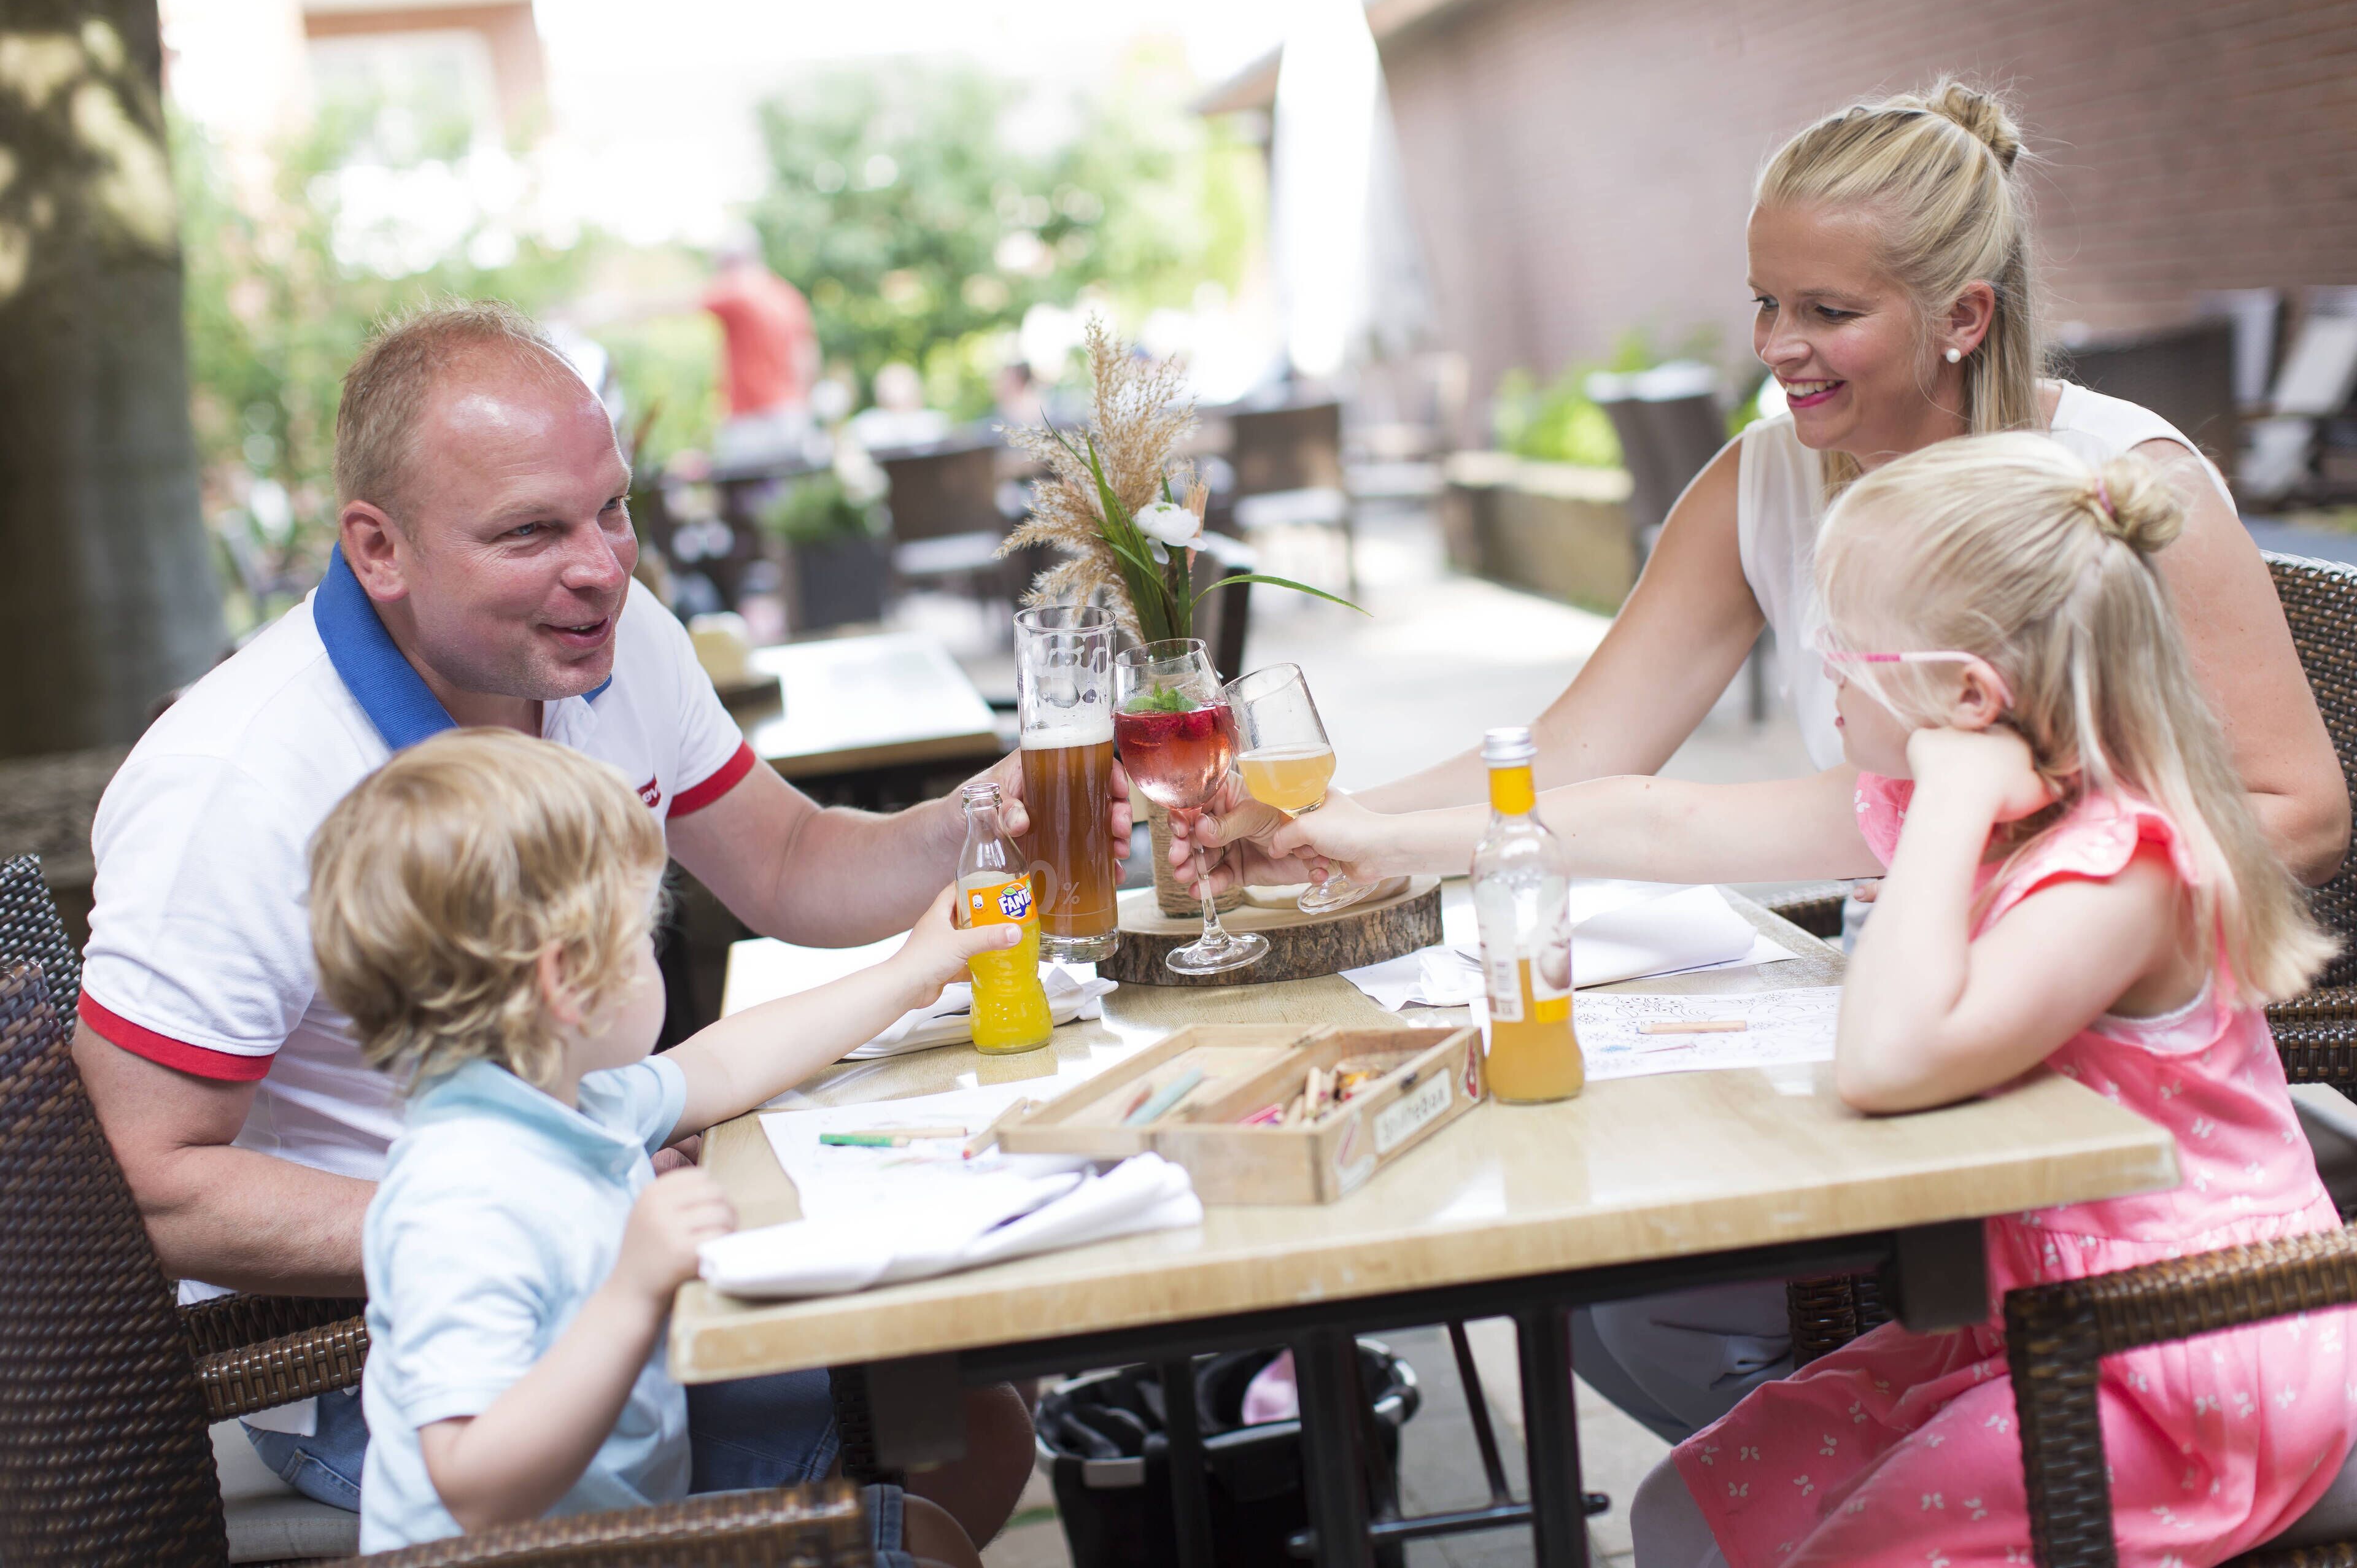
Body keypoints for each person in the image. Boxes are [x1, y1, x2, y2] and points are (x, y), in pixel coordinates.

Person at [1177, 78, 2351, 1442]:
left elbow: (2302, 809)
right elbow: (1583, 763)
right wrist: (1337, 824)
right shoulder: (1770, 479)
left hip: (2070, 1041)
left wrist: (2021, 871)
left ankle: (1919, 1452)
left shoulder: (2113, 487)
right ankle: (1870, 1446)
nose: (1778, 347)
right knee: (1608, 1265)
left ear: (1963, 314)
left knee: (1647, 1289)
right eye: (1765, 303)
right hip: (1895, 992)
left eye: (1828, 311)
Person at [72, 301, 1105, 1535]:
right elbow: (149, 1181)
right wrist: (560, 1219)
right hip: (395, 1358)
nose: (604, 565)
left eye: (612, 508)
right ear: (378, 547)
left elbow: (780, 858)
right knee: (945, 1424)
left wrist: (956, 828)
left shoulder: (603, 631)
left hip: (589, 1254)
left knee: (972, 1370)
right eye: (530, 531)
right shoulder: (230, 781)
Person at [1621, 438, 2351, 1566]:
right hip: (2042, 1321)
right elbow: (1676, 828)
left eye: (1838, 647)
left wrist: (1955, 793)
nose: (1818, 668)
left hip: (2196, 1354)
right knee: (1687, 1508)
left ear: (1967, 697)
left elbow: (1888, 1063)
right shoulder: (1986, 823)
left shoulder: (2118, 868)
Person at [316, 730, 1010, 1561]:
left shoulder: (571, 1105)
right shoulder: (463, 1195)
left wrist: (913, 971)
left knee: (927, 1529)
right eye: (640, 937)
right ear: (566, 982)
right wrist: (633, 1291)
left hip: (621, 1524)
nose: (653, 956)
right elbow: (472, 1486)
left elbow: (724, 1060)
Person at [702, 231, 826, 471]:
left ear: (730, 262)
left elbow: (682, 302)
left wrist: (617, 305)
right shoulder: (788, 296)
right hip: (793, 414)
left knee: (744, 500)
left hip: (753, 423)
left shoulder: (737, 289)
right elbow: (808, 359)